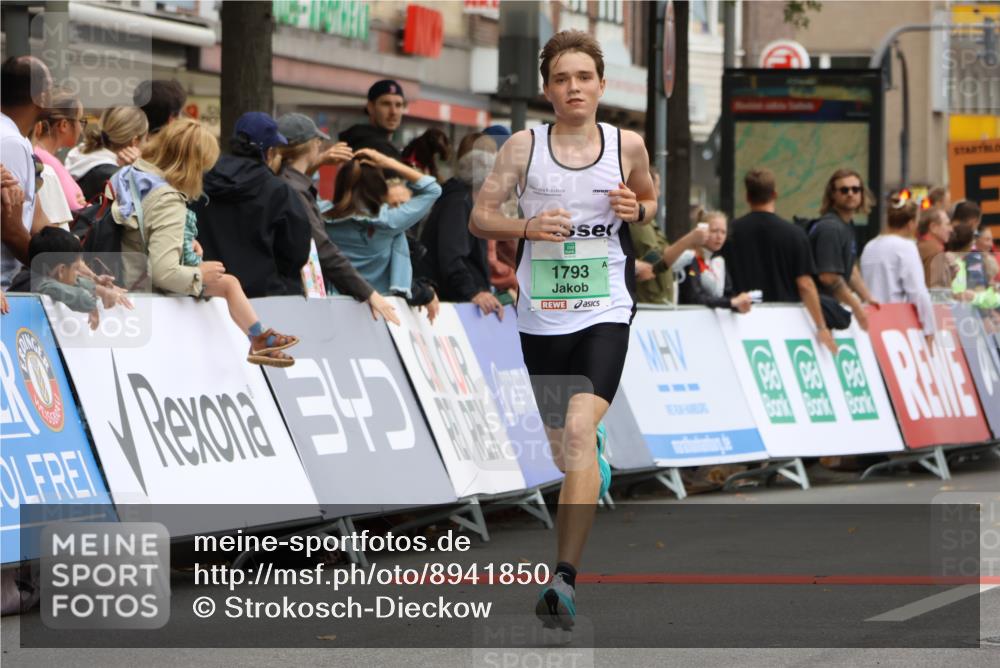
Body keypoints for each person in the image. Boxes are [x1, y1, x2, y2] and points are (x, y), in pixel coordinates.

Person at [470, 30, 659, 630]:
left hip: (606, 309)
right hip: (541, 317)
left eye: (583, 77)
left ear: (601, 85)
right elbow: (481, 217)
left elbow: (649, 199)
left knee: (578, 429)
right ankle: (590, 460)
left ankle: (563, 579)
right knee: (565, 449)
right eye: (561, 79)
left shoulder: (627, 144)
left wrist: (637, 210)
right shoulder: (523, 147)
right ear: (547, 90)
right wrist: (526, 229)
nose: (573, 87)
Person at [111, 118, 299, 366]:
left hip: (123, 279)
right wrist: (200, 274)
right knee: (227, 281)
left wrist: (182, 241)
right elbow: (163, 272)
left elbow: (142, 232)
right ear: (193, 165)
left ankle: (259, 338)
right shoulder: (168, 199)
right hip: (145, 292)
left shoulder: (133, 174)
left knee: (228, 283)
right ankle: (258, 338)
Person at [274, 112, 398, 325]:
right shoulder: (293, 190)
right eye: (318, 141)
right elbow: (321, 247)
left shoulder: (286, 183)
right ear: (312, 145)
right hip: (292, 299)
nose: (320, 146)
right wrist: (369, 293)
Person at [191, 112, 312, 298]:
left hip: (208, 295)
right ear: (269, 152)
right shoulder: (278, 192)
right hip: (264, 298)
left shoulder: (200, 183)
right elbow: (297, 252)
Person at [723, 167, 835, 353]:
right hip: (785, 323)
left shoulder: (730, 232)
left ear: (747, 197)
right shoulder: (795, 234)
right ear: (775, 194)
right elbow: (805, 284)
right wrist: (821, 326)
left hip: (740, 322)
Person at [325, 148, 441, 299]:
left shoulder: (321, 214)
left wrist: (321, 160)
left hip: (332, 300)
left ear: (339, 183)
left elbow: (300, 188)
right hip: (379, 303)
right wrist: (388, 162)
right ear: (380, 187)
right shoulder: (389, 221)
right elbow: (433, 190)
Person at [418, 132, 502, 317]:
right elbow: (452, 256)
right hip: (448, 306)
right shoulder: (458, 201)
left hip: (457, 303)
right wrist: (473, 292)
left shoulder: (465, 199)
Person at [1, 56, 52, 289]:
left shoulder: (17, 139)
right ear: (40, 97)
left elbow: (37, 220)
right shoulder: (11, 142)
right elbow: (10, 231)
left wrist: (74, 263)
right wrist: (60, 272)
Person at [859, 193, 936, 345]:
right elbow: (918, 292)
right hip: (895, 325)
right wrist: (929, 328)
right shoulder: (906, 247)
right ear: (911, 223)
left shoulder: (870, 246)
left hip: (870, 322)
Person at [810, 168, 879, 330]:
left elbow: (850, 267)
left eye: (855, 189)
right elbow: (829, 277)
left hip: (827, 311)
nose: (850, 194)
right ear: (832, 195)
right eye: (844, 190)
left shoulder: (846, 225)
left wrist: (867, 298)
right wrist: (856, 306)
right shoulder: (830, 228)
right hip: (816, 315)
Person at [631, 166, 710, 304]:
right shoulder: (639, 222)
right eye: (657, 187)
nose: (659, 193)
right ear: (646, 188)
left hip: (655, 301)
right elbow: (656, 261)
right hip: (649, 303)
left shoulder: (646, 220)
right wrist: (690, 239)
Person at [27, 226, 131, 330]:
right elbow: (76, 295)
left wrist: (102, 291)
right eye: (76, 268)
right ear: (62, 270)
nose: (79, 274)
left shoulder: (45, 279)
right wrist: (90, 304)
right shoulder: (40, 285)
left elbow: (76, 282)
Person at [64, 106, 146, 201]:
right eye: (145, 139)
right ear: (134, 141)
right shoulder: (118, 179)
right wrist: (140, 171)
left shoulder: (78, 154)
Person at [677, 211, 752, 312]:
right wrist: (731, 302)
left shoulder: (719, 261)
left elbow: (727, 294)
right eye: (714, 231)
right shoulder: (689, 258)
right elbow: (694, 296)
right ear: (702, 231)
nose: (719, 237)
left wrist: (738, 304)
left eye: (723, 232)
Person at [31, 90, 87, 210]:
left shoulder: (39, 153)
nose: (81, 129)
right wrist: (85, 206)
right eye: (80, 121)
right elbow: (75, 208)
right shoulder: (45, 159)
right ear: (64, 125)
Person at [338, 79, 406, 160]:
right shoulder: (372, 147)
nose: (393, 112)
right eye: (386, 104)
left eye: (398, 105)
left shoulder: (357, 139)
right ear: (370, 107)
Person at [917, 207, 954, 289]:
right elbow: (935, 290)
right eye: (947, 224)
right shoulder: (935, 250)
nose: (951, 229)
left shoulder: (922, 246)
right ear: (933, 227)